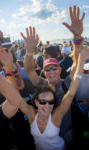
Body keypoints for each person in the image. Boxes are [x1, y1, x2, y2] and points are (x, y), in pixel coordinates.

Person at [22, 6, 85, 148]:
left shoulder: (67, 82)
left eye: (54, 68)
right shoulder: (42, 84)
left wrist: (77, 38)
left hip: (68, 136)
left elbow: (76, 61)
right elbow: (29, 70)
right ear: (43, 72)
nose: (51, 71)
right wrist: (29, 51)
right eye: (47, 69)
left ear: (60, 69)